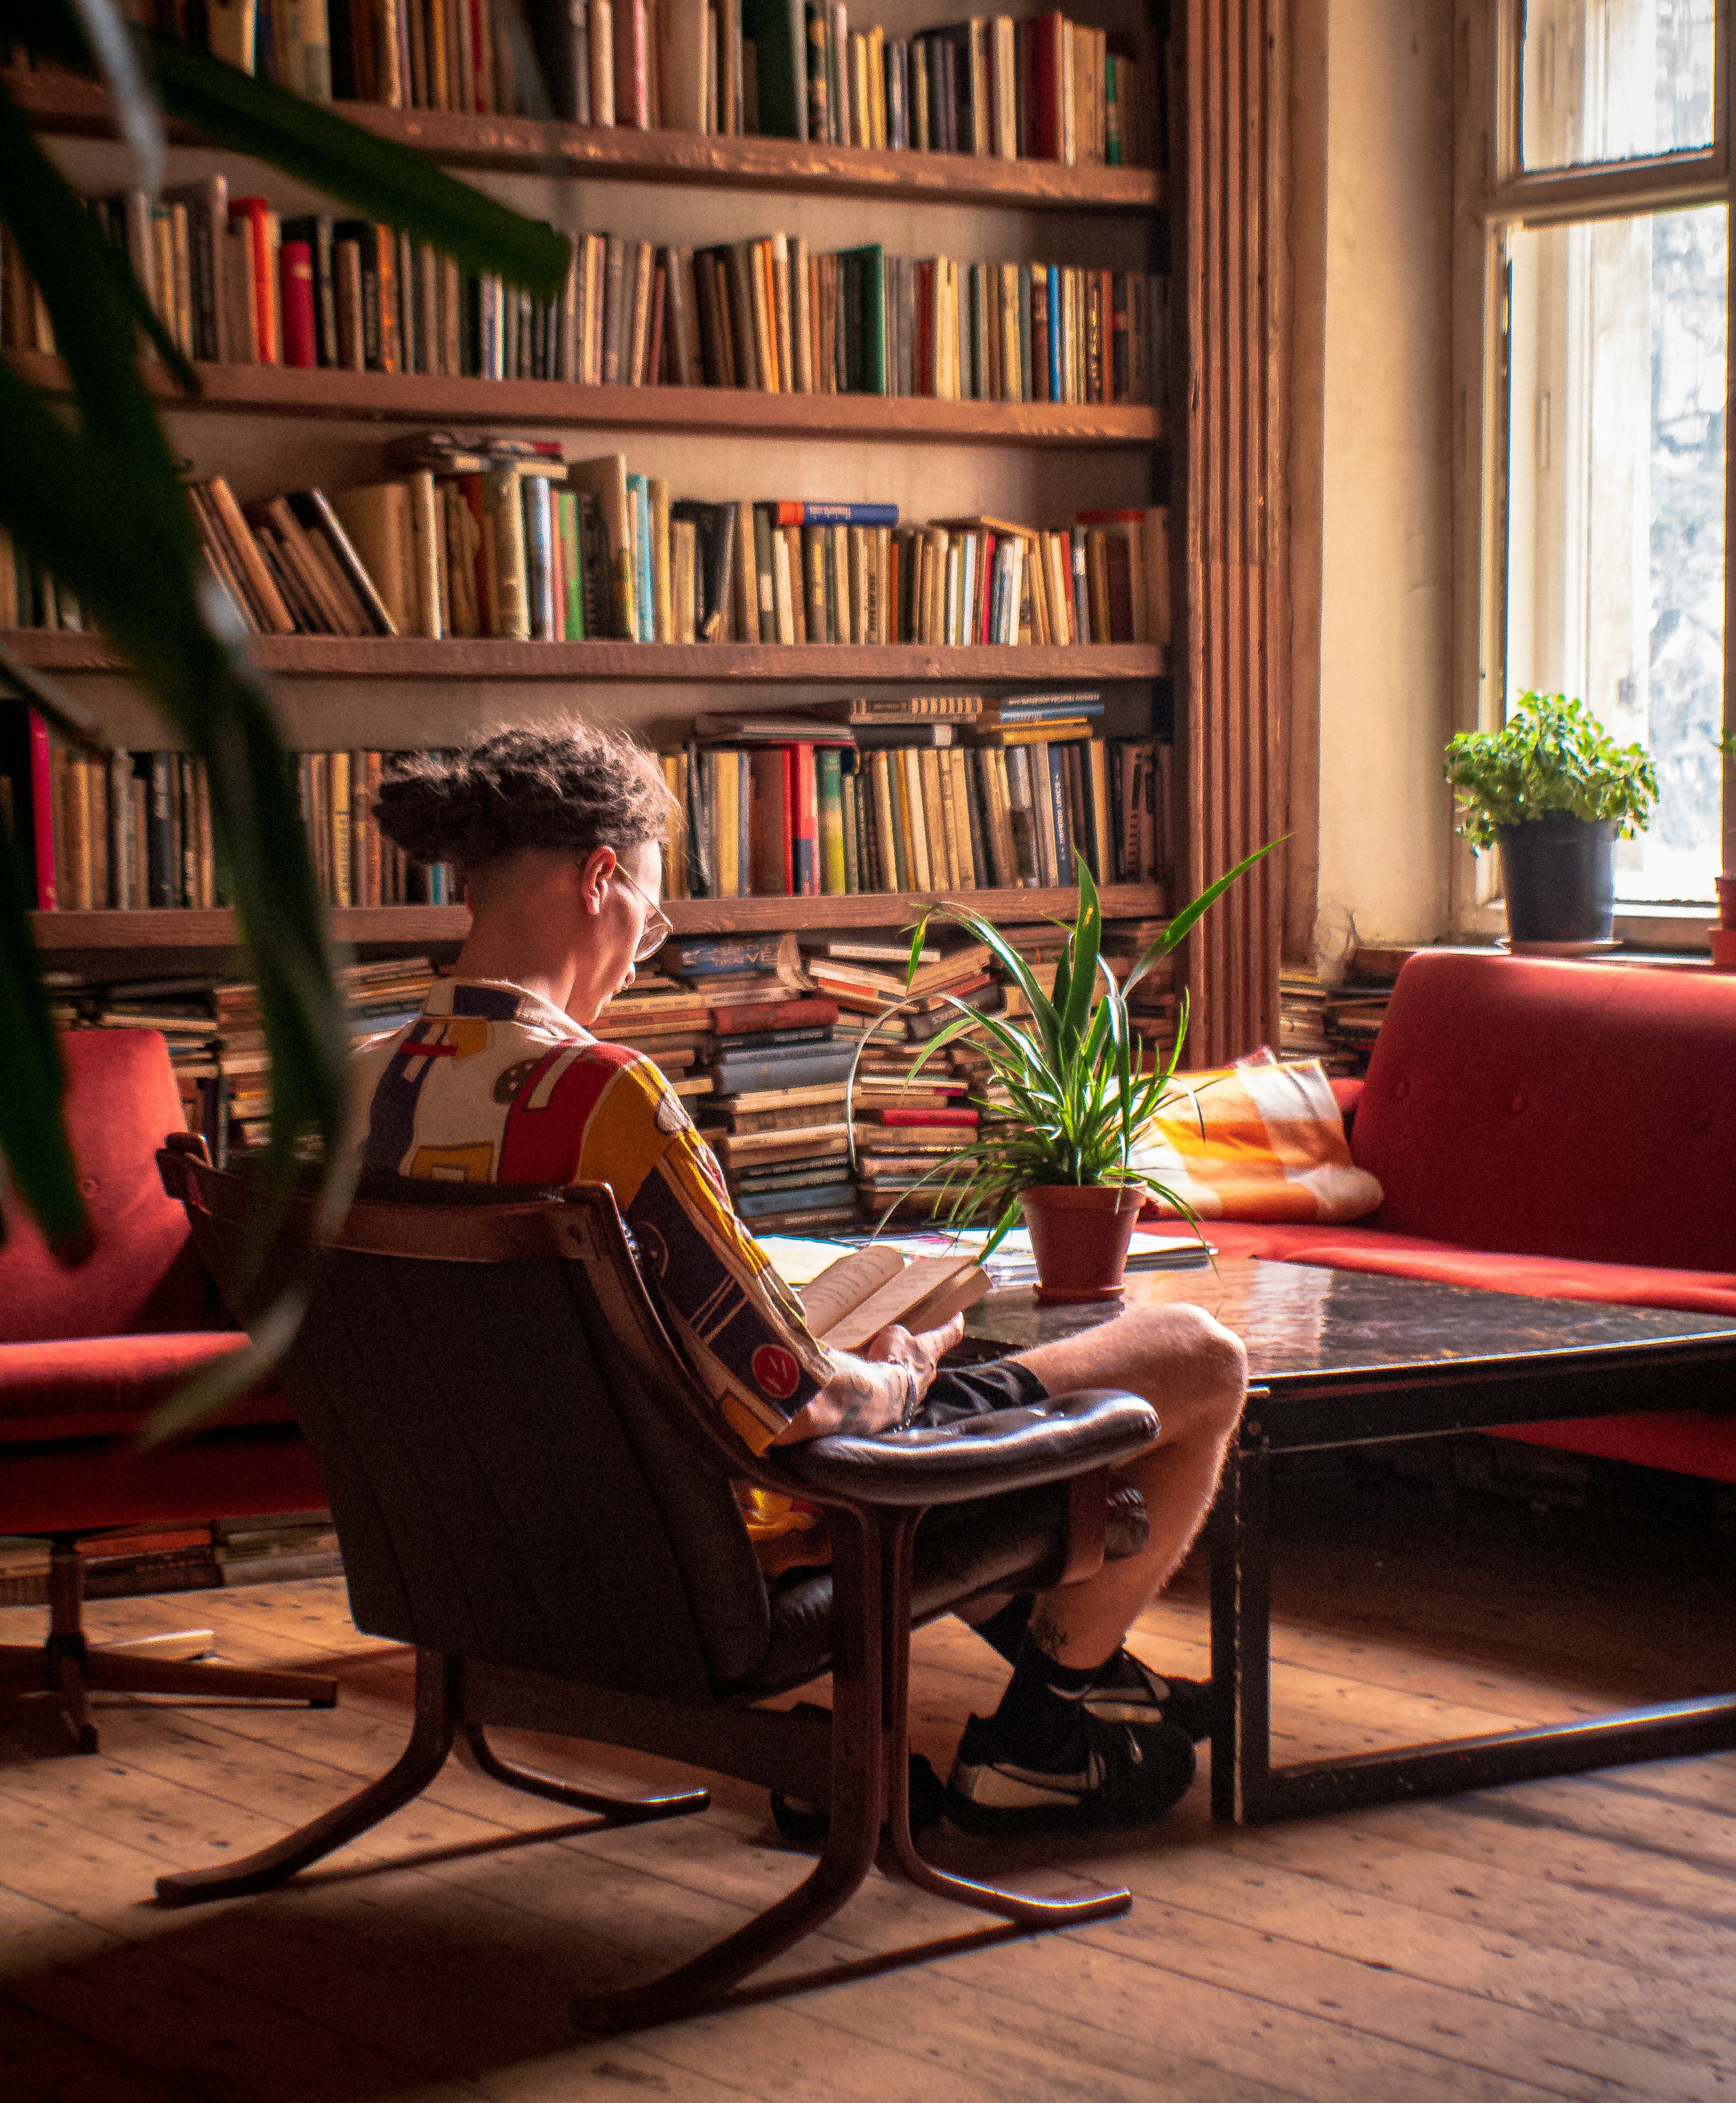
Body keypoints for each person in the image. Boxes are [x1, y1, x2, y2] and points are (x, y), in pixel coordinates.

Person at [355, 721, 1248, 1838]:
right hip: (708, 1556)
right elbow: (800, 1404)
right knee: (1194, 1359)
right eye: (649, 908)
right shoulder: (600, 1098)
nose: (643, 947)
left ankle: (1090, 1679)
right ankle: (1045, 1735)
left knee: (965, 1381)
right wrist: (910, 1373)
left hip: (482, 1564)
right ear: (598, 881)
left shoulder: (340, 1096)